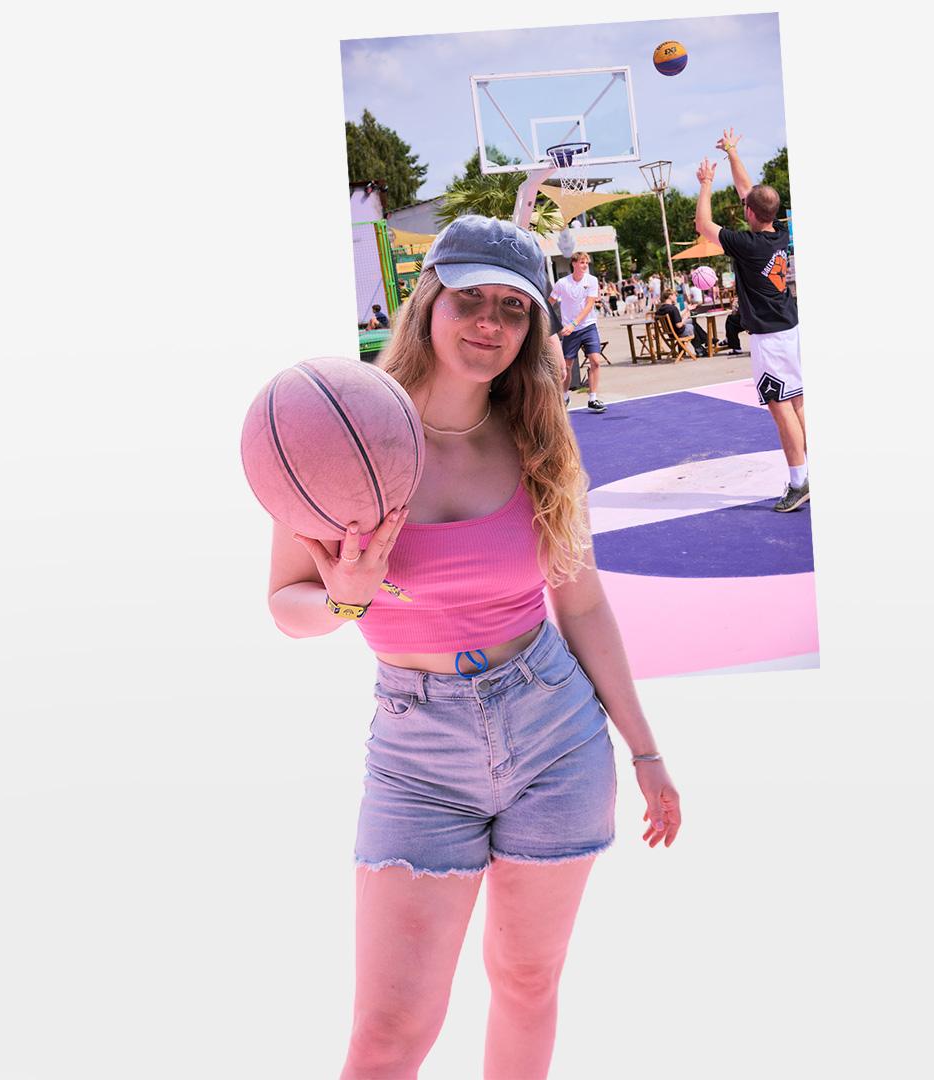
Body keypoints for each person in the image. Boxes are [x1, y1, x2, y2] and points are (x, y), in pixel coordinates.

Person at [269, 214, 680, 1079]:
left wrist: (645, 750)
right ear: (429, 302)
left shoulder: (537, 435)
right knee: (388, 1035)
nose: (489, 322)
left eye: (513, 307)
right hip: (418, 754)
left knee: (527, 982)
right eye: (469, 299)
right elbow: (288, 607)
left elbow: (585, 603)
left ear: (533, 326)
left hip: (554, 735)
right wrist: (345, 600)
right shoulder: (335, 434)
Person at [695, 128, 808, 512]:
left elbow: (703, 226)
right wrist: (732, 153)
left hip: (771, 338)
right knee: (798, 403)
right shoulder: (778, 233)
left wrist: (707, 184)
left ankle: (799, 480)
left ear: (749, 214)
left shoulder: (748, 244)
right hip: (790, 328)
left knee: (781, 408)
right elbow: (750, 193)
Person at [549, 251, 607, 412]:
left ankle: (593, 399)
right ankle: (565, 396)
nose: (585, 265)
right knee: (566, 367)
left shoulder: (592, 281)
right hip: (570, 331)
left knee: (595, 361)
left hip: (588, 326)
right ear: (574, 263)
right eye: (582, 262)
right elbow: (550, 302)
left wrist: (574, 324)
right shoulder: (562, 283)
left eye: (586, 263)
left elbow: (589, 305)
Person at [655, 288, 708, 356]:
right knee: (692, 326)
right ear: (670, 296)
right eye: (675, 295)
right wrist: (686, 317)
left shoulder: (660, 309)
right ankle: (702, 346)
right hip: (678, 332)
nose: (676, 297)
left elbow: (675, 316)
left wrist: (687, 309)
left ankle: (703, 344)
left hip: (670, 333)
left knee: (691, 322)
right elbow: (679, 325)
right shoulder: (673, 308)